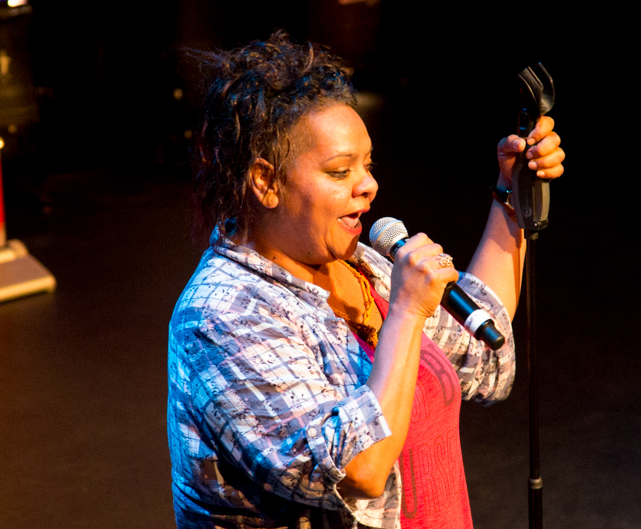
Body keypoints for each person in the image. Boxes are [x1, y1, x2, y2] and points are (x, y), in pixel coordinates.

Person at [167, 32, 564, 529]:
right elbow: (359, 470)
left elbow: (481, 354)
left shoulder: (359, 264)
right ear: (265, 181)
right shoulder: (222, 315)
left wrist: (512, 195)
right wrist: (404, 313)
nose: (368, 184)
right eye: (339, 171)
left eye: (367, 165)